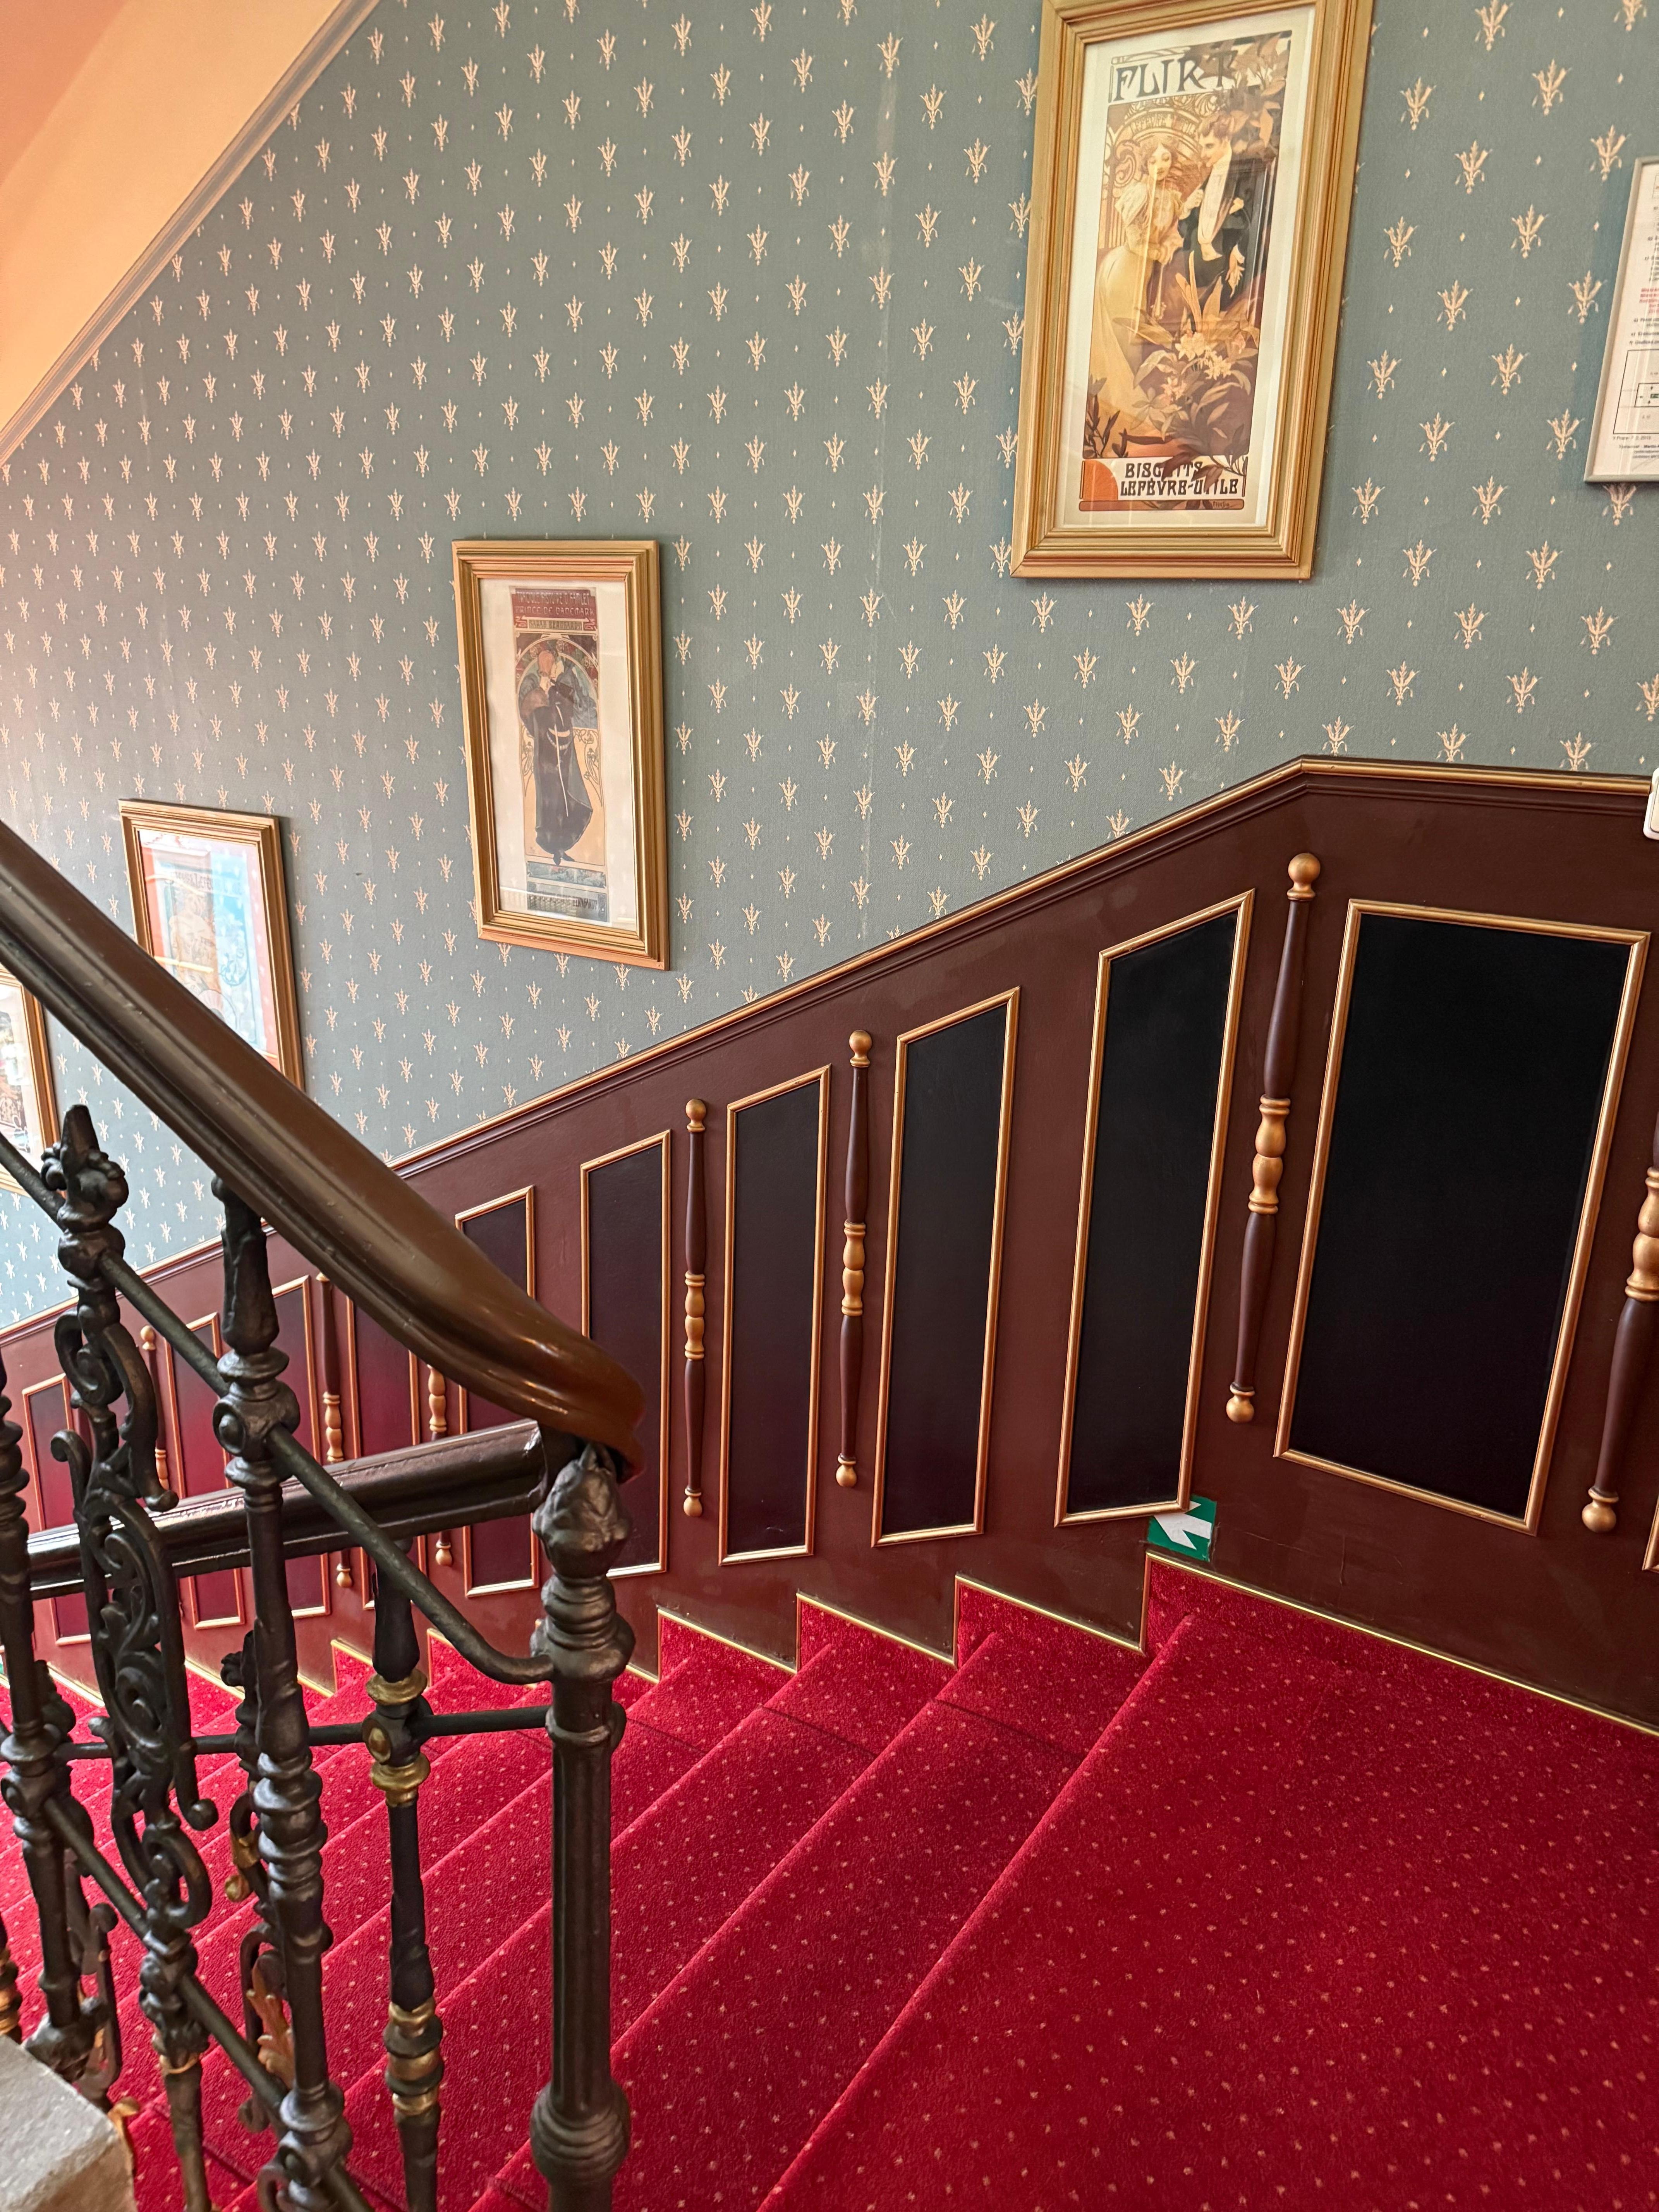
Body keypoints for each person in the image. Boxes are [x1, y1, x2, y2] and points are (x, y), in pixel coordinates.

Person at [1088, 138, 1185, 431]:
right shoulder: (1139, 193)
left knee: (1136, 342)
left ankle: (1131, 413)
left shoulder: (1172, 197)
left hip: (1144, 273)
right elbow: (1134, 241)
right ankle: (1123, 412)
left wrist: (1170, 245)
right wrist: (1158, 252)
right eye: (1153, 161)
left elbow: (1174, 234)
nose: (1160, 166)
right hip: (1124, 270)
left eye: (1165, 159)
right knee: (1127, 341)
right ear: (1145, 164)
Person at [520, 642, 596, 862]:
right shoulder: (536, 687)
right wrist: (545, 680)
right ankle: (553, 846)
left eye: (554, 663)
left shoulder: (563, 684)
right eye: (551, 664)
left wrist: (557, 684)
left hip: (565, 752)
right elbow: (532, 713)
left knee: (568, 800)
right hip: (546, 757)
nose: (554, 668)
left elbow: (576, 708)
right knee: (551, 800)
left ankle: (562, 846)